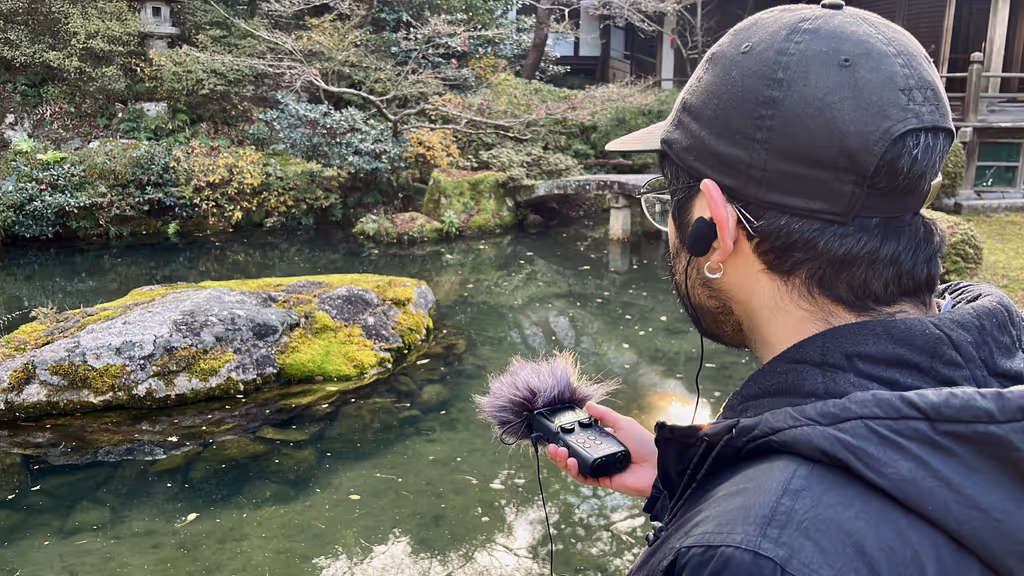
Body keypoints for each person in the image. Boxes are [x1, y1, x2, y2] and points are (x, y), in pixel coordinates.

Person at [547, 3, 1024, 575]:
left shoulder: (740, 557)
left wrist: (730, 522)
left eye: (666, 202)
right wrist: (705, 482)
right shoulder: (997, 379)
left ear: (713, 229)